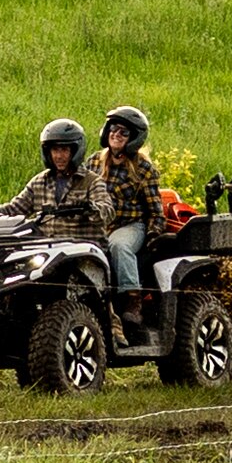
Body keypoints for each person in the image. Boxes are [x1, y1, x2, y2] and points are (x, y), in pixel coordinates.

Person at [87, 105, 161, 337]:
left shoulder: (144, 169)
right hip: (98, 226)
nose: (115, 135)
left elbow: (155, 209)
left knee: (119, 246)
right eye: (112, 129)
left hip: (130, 225)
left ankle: (132, 299)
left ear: (134, 138)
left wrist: (154, 234)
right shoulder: (94, 163)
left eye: (123, 132)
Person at [0, 118, 111, 238]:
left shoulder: (91, 182)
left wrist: (90, 208)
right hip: (48, 252)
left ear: (75, 151)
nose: (59, 156)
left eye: (64, 150)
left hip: (82, 250)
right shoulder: (40, 182)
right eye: (55, 150)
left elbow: (107, 211)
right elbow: (14, 209)